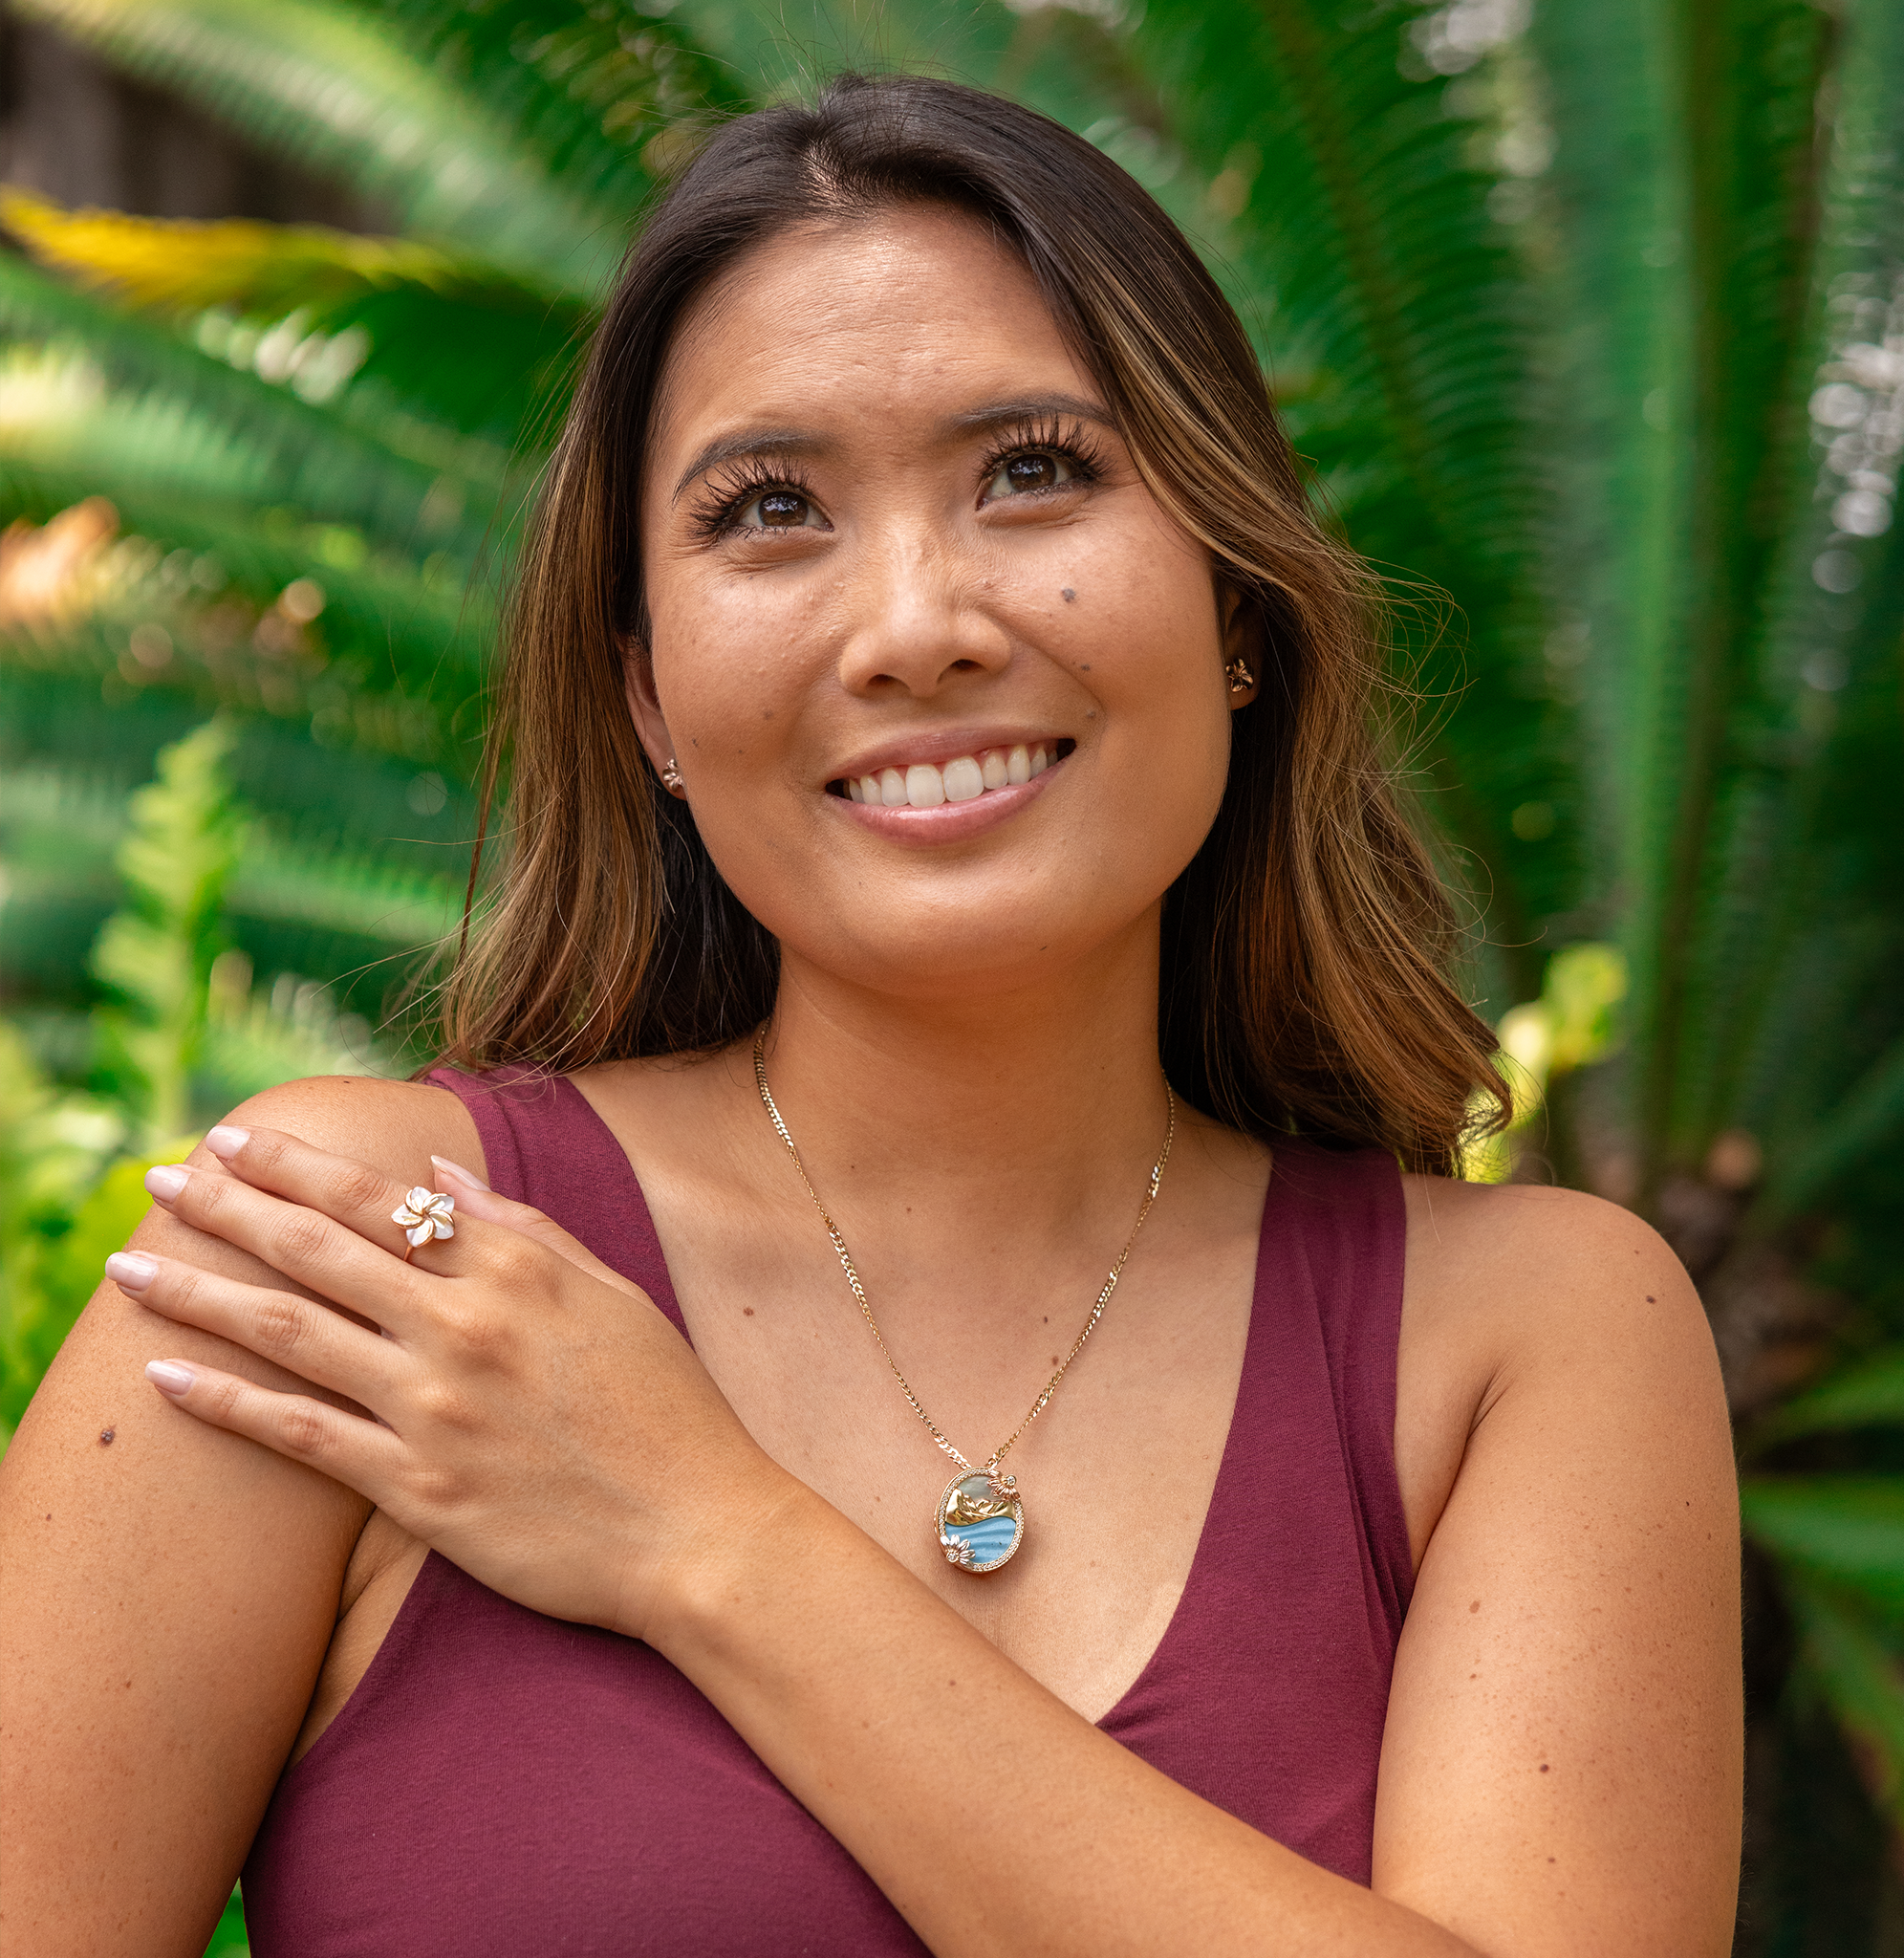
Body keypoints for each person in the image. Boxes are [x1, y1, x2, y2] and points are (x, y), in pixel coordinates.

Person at [0, 73, 1742, 1957]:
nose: (915, 624)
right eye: (769, 511)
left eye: (1032, 471)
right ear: (651, 698)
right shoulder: (363, 1268)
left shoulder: (1525, 1341)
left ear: (1236, 599)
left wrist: (711, 1541)